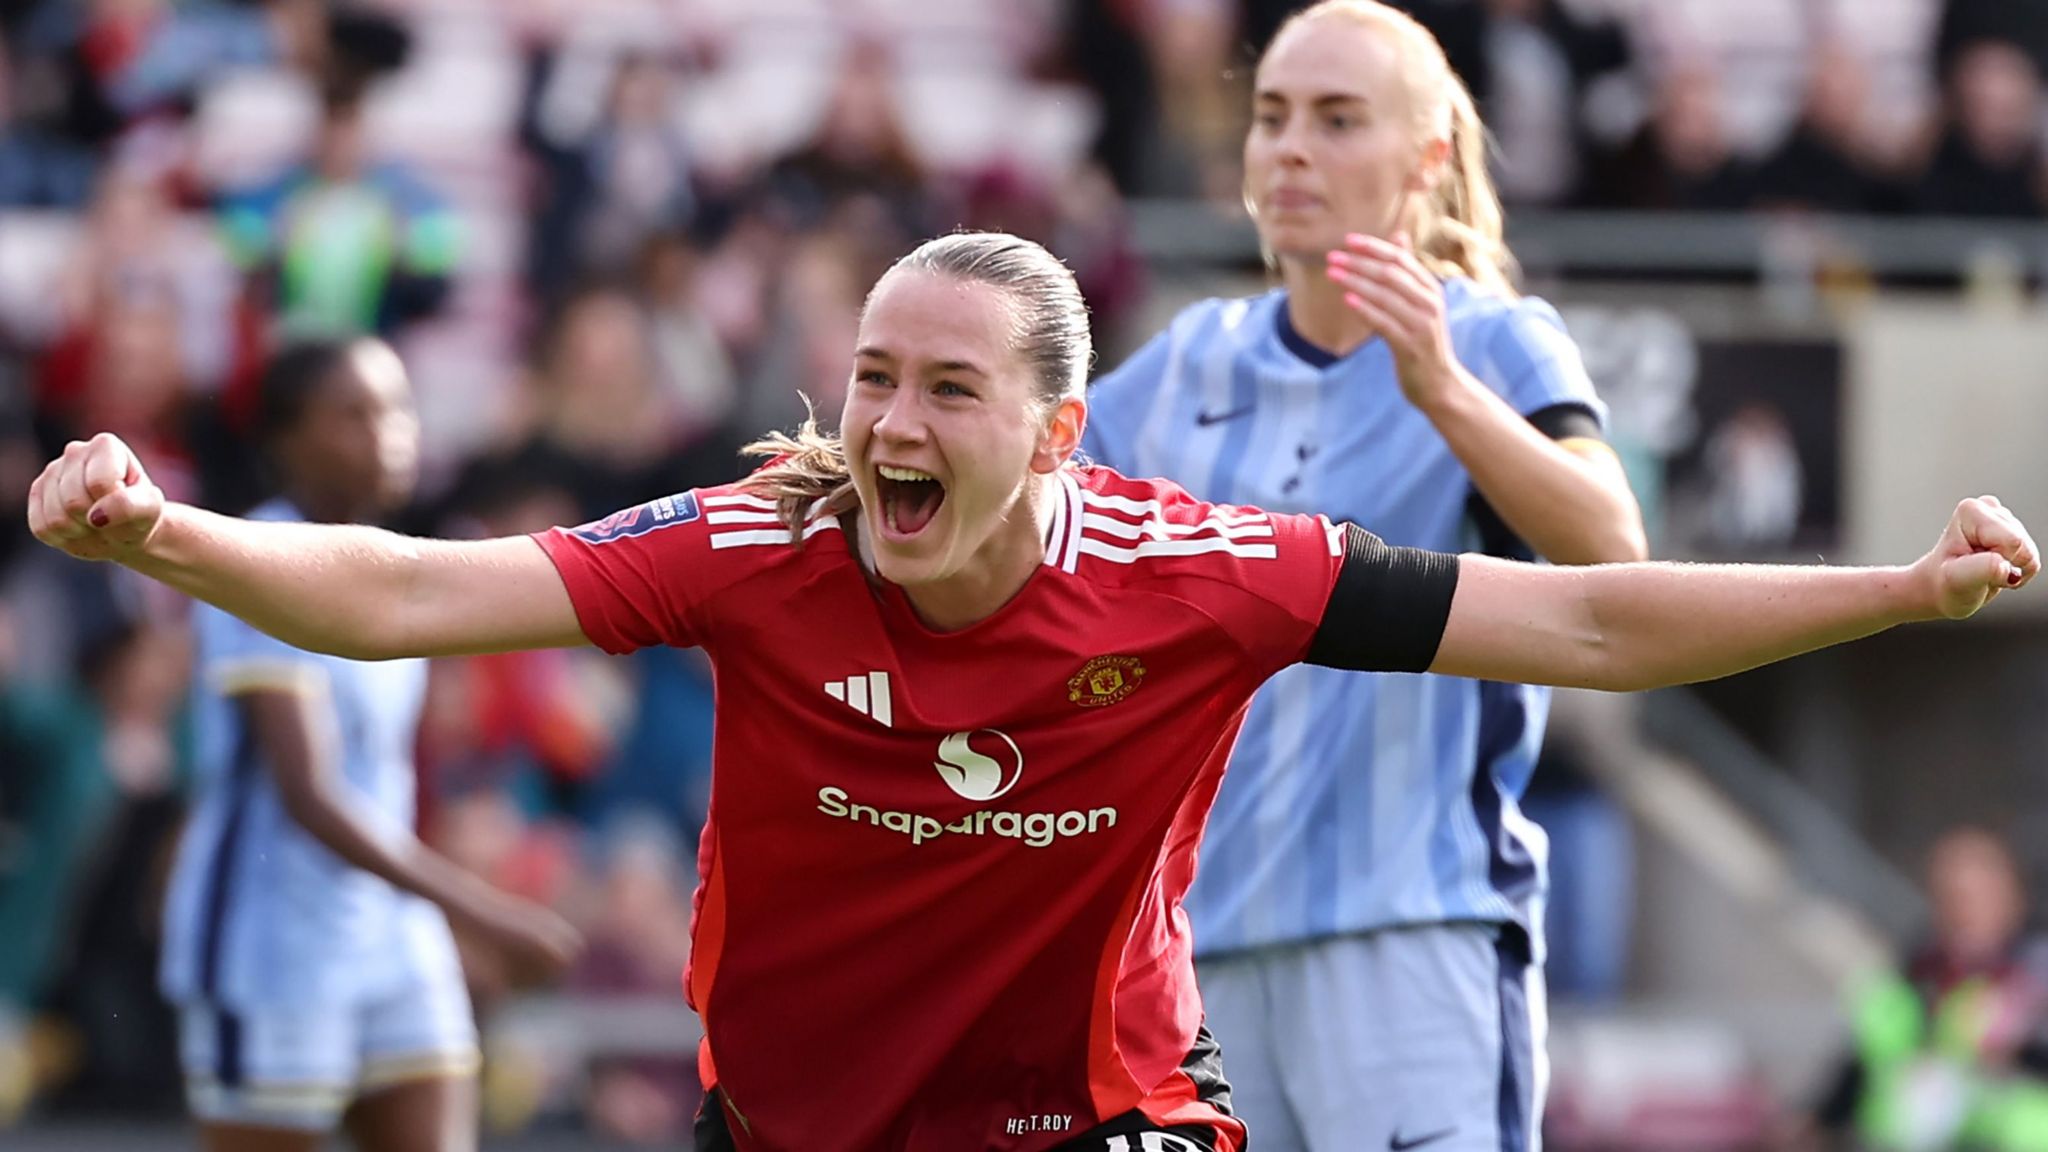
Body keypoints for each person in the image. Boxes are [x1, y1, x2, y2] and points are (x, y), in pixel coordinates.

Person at [27, 231, 2039, 1152]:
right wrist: (167, 539)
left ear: (1060, 431)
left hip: (1105, 1116)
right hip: (794, 1123)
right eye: (874, 379)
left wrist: (1898, 590)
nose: (888, 418)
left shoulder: (1207, 575)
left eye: (947, 388)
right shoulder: (755, 555)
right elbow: (393, 592)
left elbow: (1592, 625)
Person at [1083, 5, 1645, 1148]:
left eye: (1337, 120)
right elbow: (1029, 502)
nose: (1289, 148)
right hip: (1199, 961)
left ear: (1425, 156)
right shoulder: (1188, 358)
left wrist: (1438, 390)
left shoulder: (1495, 341)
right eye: (1271, 117)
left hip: (1415, 940)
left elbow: (1610, 547)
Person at [146, 339, 581, 1152]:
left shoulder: (394, 568)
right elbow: (309, 795)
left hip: (389, 931)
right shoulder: (257, 565)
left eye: (397, 409)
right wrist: (479, 913)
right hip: (270, 946)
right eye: (354, 415)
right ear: (285, 440)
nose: (388, 433)